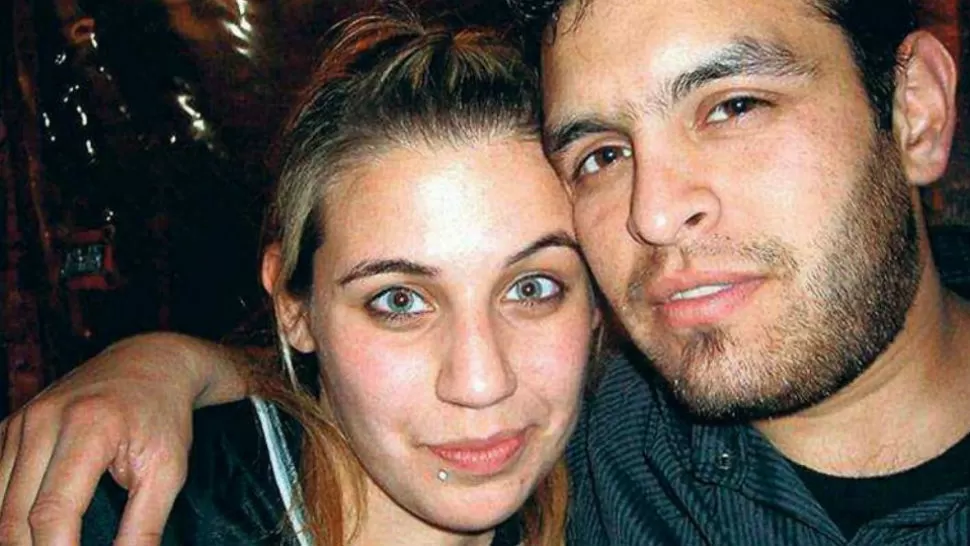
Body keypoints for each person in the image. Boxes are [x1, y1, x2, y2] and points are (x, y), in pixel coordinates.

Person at [3, 0, 970, 544]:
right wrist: (169, 367)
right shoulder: (598, 429)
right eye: (601, 153)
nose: (654, 211)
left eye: (734, 105)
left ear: (916, 110)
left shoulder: (584, 430)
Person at [0, 8, 607, 546]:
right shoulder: (116, 511)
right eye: (399, 301)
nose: (480, 383)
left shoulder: (618, 488)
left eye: (533, 289)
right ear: (295, 309)